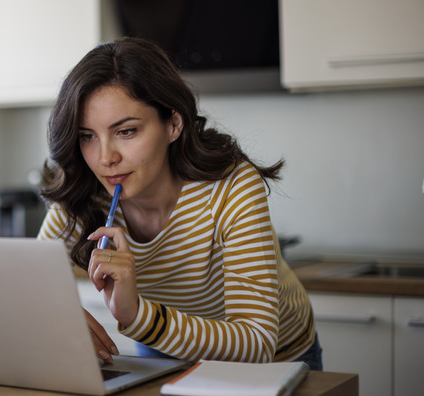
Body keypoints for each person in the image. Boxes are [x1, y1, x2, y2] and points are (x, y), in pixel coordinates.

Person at [37, 37, 322, 370]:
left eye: (126, 131)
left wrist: (139, 316)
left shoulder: (231, 186)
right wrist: (58, 314)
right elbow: (29, 285)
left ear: (173, 124)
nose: (105, 159)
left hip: (276, 360)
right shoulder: (85, 190)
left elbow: (256, 341)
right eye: (87, 136)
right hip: (165, 348)